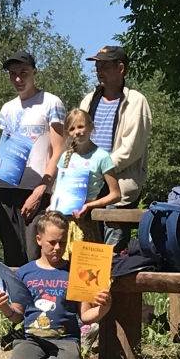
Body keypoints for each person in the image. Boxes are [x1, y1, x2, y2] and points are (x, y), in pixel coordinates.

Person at [0, 211, 113, 359]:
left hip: (66, 339)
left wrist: (104, 307)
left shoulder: (76, 272)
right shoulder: (25, 272)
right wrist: (4, 305)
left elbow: (86, 316)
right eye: (52, 242)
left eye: (62, 242)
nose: (57, 247)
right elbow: (17, 316)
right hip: (32, 338)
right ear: (39, 239)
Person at [0, 50, 66, 268]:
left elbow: (59, 150)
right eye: (13, 74)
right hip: (7, 190)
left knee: (35, 257)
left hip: (37, 190)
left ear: (34, 73)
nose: (18, 79)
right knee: (12, 257)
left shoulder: (50, 102)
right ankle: (14, 303)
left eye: (23, 73)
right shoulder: (7, 108)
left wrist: (40, 190)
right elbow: (8, 149)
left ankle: (39, 302)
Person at [79, 45, 152, 252]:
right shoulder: (89, 100)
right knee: (87, 249)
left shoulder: (136, 102)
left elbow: (131, 149)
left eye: (104, 66)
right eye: (96, 66)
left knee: (112, 254)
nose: (98, 71)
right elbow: (75, 136)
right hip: (88, 188)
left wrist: (100, 167)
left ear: (120, 68)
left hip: (118, 189)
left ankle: (112, 285)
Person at [55, 109, 121, 258]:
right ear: (67, 132)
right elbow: (58, 190)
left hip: (85, 222)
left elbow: (116, 194)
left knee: (86, 271)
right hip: (62, 222)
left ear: (91, 127)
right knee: (61, 270)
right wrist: (52, 207)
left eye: (81, 126)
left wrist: (90, 205)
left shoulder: (102, 156)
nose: (77, 132)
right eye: (72, 128)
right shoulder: (65, 156)